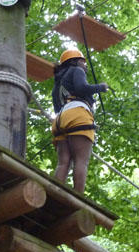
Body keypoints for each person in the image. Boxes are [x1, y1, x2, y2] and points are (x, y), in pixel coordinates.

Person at [51, 48, 108, 193]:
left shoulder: (57, 83)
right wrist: (100, 87)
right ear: (75, 61)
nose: (85, 65)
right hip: (77, 115)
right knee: (81, 161)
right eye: (83, 61)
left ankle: (53, 193)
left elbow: (57, 107)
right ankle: (78, 197)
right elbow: (81, 88)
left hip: (60, 119)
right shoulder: (77, 70)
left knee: (63, 163)